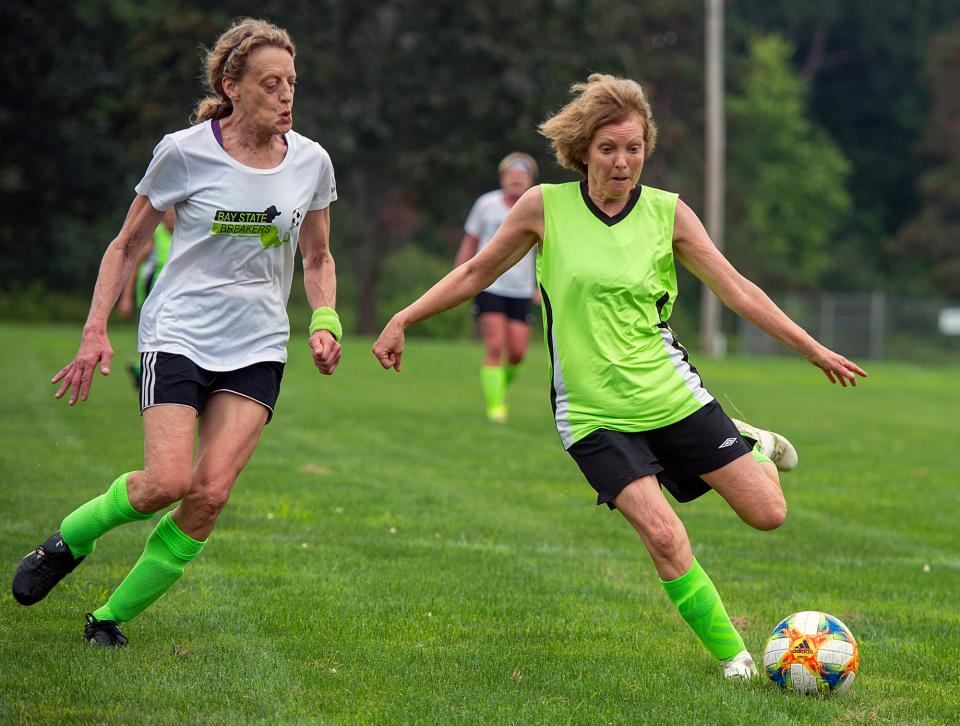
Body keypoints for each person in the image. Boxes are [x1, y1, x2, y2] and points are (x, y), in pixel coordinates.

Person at [373, 74, 867, 678]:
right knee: (663, 534)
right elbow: (475, 271)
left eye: (634, 148)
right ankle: (734, 660)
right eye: (609, 148)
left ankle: (750, 442)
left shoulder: (668, 214)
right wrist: (404, 317)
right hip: (590, 413)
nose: (622, 161)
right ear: (582, 151)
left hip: (670, 393)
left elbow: (738, 290)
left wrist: (813, 349)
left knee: (769, 514)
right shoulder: (543, 207)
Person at [12, 18, 342, 647]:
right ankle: (68, 541)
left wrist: (324, 318)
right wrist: (95, 330)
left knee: (210, 494)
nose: (285, 96)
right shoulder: (184, 151)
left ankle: (108, 621)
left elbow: (318, 257)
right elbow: (128, 244)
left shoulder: (312, 162)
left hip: (259, 343)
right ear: (232, 86)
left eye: (292, 83)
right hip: (180, 331)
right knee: (166, 482)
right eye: (270, 84)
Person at [454, 153, 539, 422]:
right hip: (489, 285)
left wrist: (540, 286)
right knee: (495, 346)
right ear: (502, 178)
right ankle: (496, 407)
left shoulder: (535, 208)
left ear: (529, 181)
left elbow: (543, 250)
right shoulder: (486, 205)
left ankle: (497, 389)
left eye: (522, 176)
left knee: (517, 353)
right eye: (511, 175)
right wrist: (458, 278)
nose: (516, 180)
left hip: (522, 289)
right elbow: (471, 241)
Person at [117, 207, 175, 388]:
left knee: (168, 341)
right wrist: (126, 298)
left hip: (175, 298)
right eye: (169, 212)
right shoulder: (155, 236)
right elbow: (133, 264)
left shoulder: (187, 234)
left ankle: (140, 369)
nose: (172, 217)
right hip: (153, 297)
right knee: (158, 340)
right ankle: (144, 371)